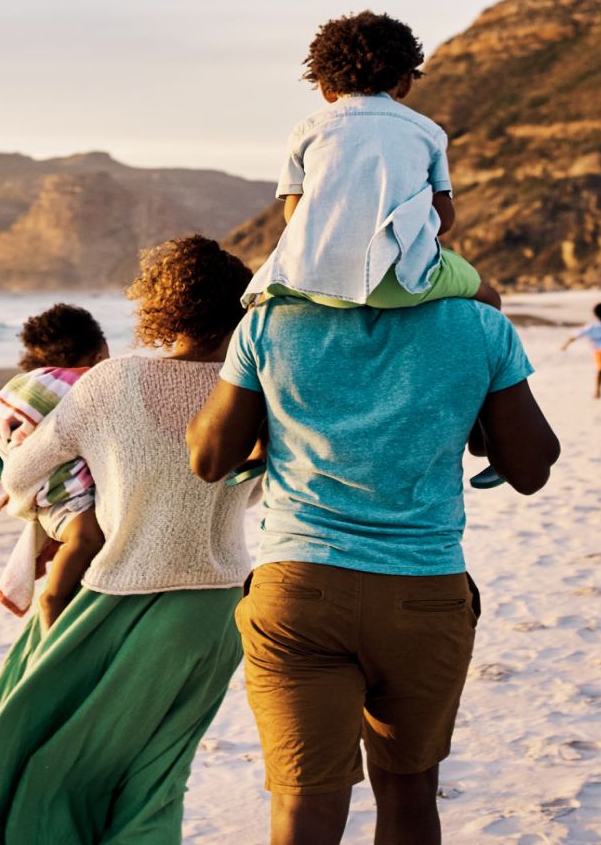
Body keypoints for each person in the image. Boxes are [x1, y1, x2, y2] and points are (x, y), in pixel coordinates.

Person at [0, 236, 260, 845]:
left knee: (37, 755)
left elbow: (17, 474)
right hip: (215, 614)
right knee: (159, 777)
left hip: (115, 601)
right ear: (238, 310)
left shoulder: (109, 383)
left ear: (162, 309)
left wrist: (73, 504)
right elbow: (246, 489)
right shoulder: (252, 392)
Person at [187, 297, 560, 845]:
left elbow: (209, 459)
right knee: (409, 792)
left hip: (299, 590)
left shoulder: (269, 322)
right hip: (424, 593)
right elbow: (530, 469)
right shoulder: (479, 323)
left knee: (302, 804)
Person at [243, 9, 504, 489]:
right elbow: (444, 219)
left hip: (314, 280)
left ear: (323, 85)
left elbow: (293, 216)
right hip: (403, 279)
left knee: (255, 323)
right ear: (405, 81)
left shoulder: (307, 130)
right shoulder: (427, 132)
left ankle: (258, 441)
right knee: (489, 300)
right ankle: (488, 439)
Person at [0, 302, 110, 622]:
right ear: (98, 353)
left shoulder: (23, 388)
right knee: (86, 537)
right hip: (62, 494)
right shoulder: (83, 385)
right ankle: (53, 600)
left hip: (38, 493)